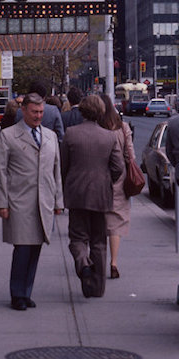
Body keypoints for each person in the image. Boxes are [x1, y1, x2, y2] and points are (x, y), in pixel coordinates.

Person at [0, 92, 64, 310]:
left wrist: (59, 201)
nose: (38, 116)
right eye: (34, 112)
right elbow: (0, 172)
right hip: (19, 202)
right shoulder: (9, 136)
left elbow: (56, 170)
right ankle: (17, 294)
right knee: (22, 249)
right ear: (24, 111)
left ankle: (27, 292)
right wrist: (1, 203)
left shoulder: (50, 136)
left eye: (41, 112)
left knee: (35, 249)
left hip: (44, 202)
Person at [60, 94, 124, 298]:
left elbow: (63, 165)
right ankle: (97, 288)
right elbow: (118, 167)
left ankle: (83, 263)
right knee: (98, 240)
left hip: (76, 192)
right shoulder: (109, 136)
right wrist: (106, 181)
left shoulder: (70, 134)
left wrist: (67, 184)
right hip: (101, 193)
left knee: (77, 237)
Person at [99, 93, 135, 279]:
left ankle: (97, 260)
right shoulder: (123, 128)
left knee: (97, 222)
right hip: (119, 180)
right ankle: (113, 262)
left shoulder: (97, 128)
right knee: (115, 224)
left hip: (98, 179)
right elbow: (131, 157)